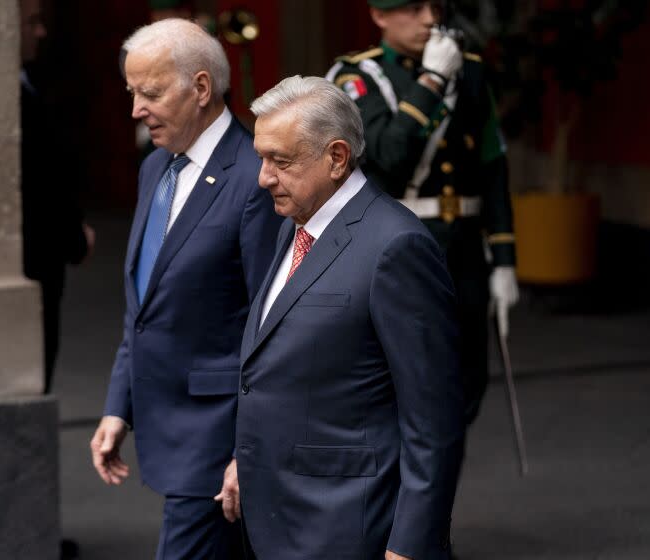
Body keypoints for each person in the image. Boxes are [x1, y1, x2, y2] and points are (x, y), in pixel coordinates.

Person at [223, 76, 465, 560]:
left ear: (336, 157)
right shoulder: (293, 225)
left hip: (348, 528)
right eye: (261, 157)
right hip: (276, 513)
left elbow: (433, 420)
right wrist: (246, 460)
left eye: (281, 161)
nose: (263, 177)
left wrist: (411, 545)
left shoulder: (396, 246)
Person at [89, 18, 281, 560]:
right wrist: (116, 408)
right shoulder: (156, 167)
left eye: (150, 93)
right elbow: (147, 304)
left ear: (201, 88)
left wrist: (250, 450)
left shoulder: (254, 177)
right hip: (168, 429)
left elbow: (272, 327)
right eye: (132, 93)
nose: (135, 110)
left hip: (218, 444)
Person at [326, 0, 519, 425]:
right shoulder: (356, 77)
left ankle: (436, 485)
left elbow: (492, 167)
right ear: (379, 15)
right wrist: (432, 79)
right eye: (413, 9)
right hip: (396, 250)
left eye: (435, 7)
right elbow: (390, 156)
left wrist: (504, 260)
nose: (430, 20)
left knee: (466, 383)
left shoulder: (468, 69)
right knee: (402, 383)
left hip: (464, 251)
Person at [19, 0, 95, 395]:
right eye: (31, 22)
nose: (40, 32)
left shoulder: (30, 83)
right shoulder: (13, 98)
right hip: (32, 261)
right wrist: (73, 236)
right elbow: (39, 184)